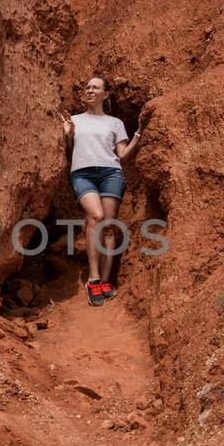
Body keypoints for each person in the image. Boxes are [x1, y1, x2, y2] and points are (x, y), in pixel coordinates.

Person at [60, 76, 145, 305]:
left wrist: (138, 134)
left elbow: (123, 155)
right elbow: (68, 155)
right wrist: (68, 135)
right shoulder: (74, 120)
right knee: (95, 217)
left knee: (108, 226)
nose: (89, 90)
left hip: (111, 174)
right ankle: (94, 279)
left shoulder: (115, 123)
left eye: (95, 87)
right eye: (87, 87)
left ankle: (106, 280)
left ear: (105, 94)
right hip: (82, 174)